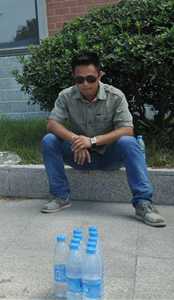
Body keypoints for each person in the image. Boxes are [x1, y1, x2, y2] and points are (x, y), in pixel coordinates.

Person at [40, 51, 166, 227]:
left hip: (108, 156)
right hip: (79, 155)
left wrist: (92, 141)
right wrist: (77, 140)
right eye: (79, 80)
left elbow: (127, 129)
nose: (85, 84)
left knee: (129, 142)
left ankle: (143, 204)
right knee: (49, 140)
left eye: (90, 78)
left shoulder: (115, 96)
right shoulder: (66, 96)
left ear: (100, 75)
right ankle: (60, 196)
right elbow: (52, 124)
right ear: (74, 77)